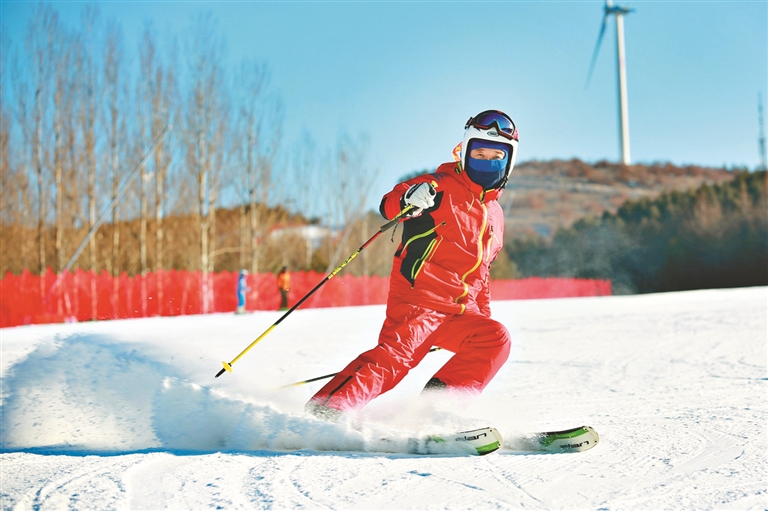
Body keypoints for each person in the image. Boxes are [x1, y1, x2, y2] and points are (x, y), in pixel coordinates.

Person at [306, 110, 519, 419]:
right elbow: (393, 202)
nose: (486, 161)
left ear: (509, 161)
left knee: (495, 338)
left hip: (460, 314)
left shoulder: (496, 216)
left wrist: (479, 319)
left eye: (495, 156)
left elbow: (481, 275)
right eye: (479, 153)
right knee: (394, 361)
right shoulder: (440, 185)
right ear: (465, 153)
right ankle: (324, 412)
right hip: (420, 304)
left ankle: (434, 414)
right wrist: (411, 199)